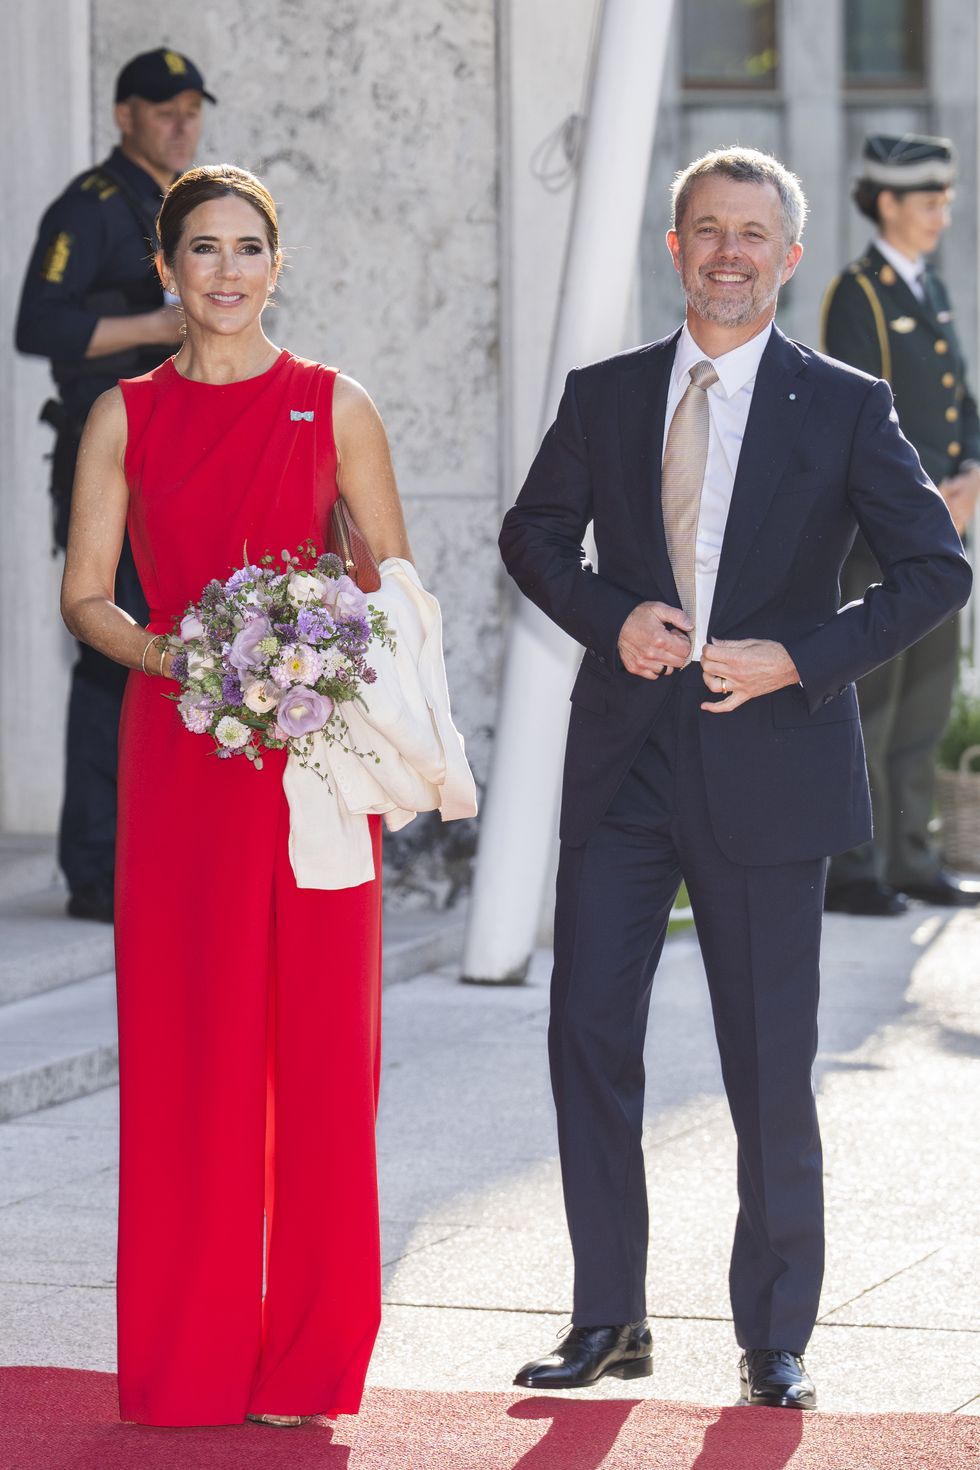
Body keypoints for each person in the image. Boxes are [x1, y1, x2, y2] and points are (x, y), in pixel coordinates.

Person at [500, 148, 970, 1410]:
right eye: (705, 229)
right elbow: (530, 533)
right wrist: (609, 617)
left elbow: (935, 570)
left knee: (765, 1060)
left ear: (787, 256)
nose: (727, 252)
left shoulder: (846, 403)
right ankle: (609, 1316)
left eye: (751, 233)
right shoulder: (606, 393)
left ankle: (772, 1334)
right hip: (624, 766)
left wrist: (798, 659)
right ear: (674, 247)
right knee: (586, 1033)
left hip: (769, 767)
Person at [60, 165, 415, 1427]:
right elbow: (86, 594)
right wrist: (173, 656)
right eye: (201, 248)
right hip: (181, 759)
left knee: (320, 1058)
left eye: (247, 247)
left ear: (278, 262)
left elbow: (393, 586)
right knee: (187, 1056)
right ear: (166, 268)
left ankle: (307, 1366)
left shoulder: (335, 404)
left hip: (314, 768)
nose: (225, 270)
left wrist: (314, 635)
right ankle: (189, 1361)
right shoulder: (124, 415)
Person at [16, 47, 211, 922]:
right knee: (111, 652)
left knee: (174, 642)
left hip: (178, 459)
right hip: (109, 455)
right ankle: (96, 866)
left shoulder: (182, 204)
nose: (181, 124)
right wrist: (154, 324)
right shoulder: (92, 205)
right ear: (123, 115)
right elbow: (37, 323)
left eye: (191, 110)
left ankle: (152, 848)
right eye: (163, 110)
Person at [821, 134, 980, 915]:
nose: (942, 216)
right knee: (873, 705)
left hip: (941, 534)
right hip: (883, 537)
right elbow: (857, 417)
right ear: (886, 203)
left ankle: (914, 858)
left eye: (945, 202)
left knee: (923, 703)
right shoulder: (859, 294)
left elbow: (960, 401)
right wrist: (924, 498)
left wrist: (972, 473)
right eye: (929, 203)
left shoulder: (929, 287)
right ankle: (857, 870)